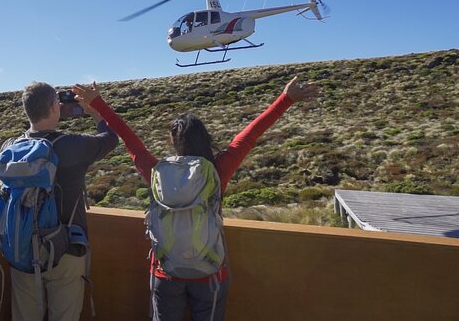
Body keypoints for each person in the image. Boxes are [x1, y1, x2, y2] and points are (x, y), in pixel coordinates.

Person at [72, 77, 319, 321]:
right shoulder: (218, 170)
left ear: (173, 141)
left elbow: (129, 139)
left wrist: (99, 105)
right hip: (210, 274)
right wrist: (285, 100)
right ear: (204, 138)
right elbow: (249, 136)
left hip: (165, 272)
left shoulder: (156, 172)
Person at [5, 81, 119, 321]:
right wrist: (95, 112)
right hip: (65, 249)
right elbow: (110, 138)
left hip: (21, 249)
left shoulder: (10, 148)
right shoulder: (70, 145)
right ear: (54, 107)